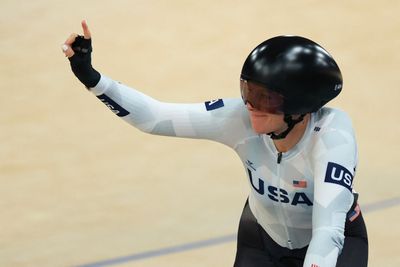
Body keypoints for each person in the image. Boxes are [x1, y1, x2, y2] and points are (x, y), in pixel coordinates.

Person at [62, 21, 368, 267]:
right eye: (248, 90)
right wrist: (90, 76)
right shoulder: (239, 117)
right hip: (261, 237)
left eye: (264, 98)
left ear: (301, 105)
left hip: (335, 245)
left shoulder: (333, 136)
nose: (249, 104)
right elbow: (155, 117)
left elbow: (327, 233)